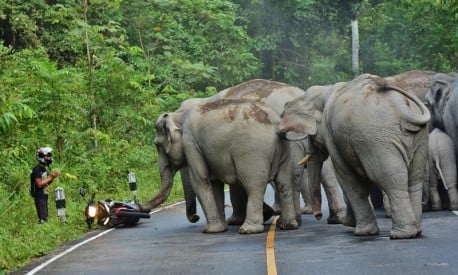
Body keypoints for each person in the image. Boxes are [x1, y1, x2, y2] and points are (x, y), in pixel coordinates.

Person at [30, 147, 60, 223]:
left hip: (44, 194)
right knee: (43, 218)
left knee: (45, 216)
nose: (49, 157)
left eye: (49, 155)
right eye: (48, 156)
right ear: (42, 156)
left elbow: (47, 182)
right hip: (39, 195)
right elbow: (40, 184)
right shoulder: (37, 169)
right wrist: (51, 176)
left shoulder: (45, 169)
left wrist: (52, 177)